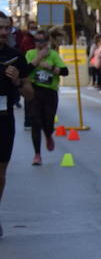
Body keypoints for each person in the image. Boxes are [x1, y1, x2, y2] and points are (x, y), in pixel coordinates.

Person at [0, 14, 34, 238]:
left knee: (0, 172)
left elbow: (30, 95)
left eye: (6, 29)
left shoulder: (15, 57)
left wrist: (17, 81)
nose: (3, 33)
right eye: (0, 29)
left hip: (3, 117)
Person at [25, 30, 67, 166]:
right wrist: (38, 60)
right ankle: (37, 154)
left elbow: (65, 72)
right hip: (34, 91)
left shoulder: (53, 55)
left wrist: (49, 66)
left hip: (50, 92)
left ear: (46, 42)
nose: (38, 43)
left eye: (41, 41)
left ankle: (48, 135)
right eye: (36, 40)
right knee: (35, 122)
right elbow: (24, 71)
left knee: (48, 122)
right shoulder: (30, 54)